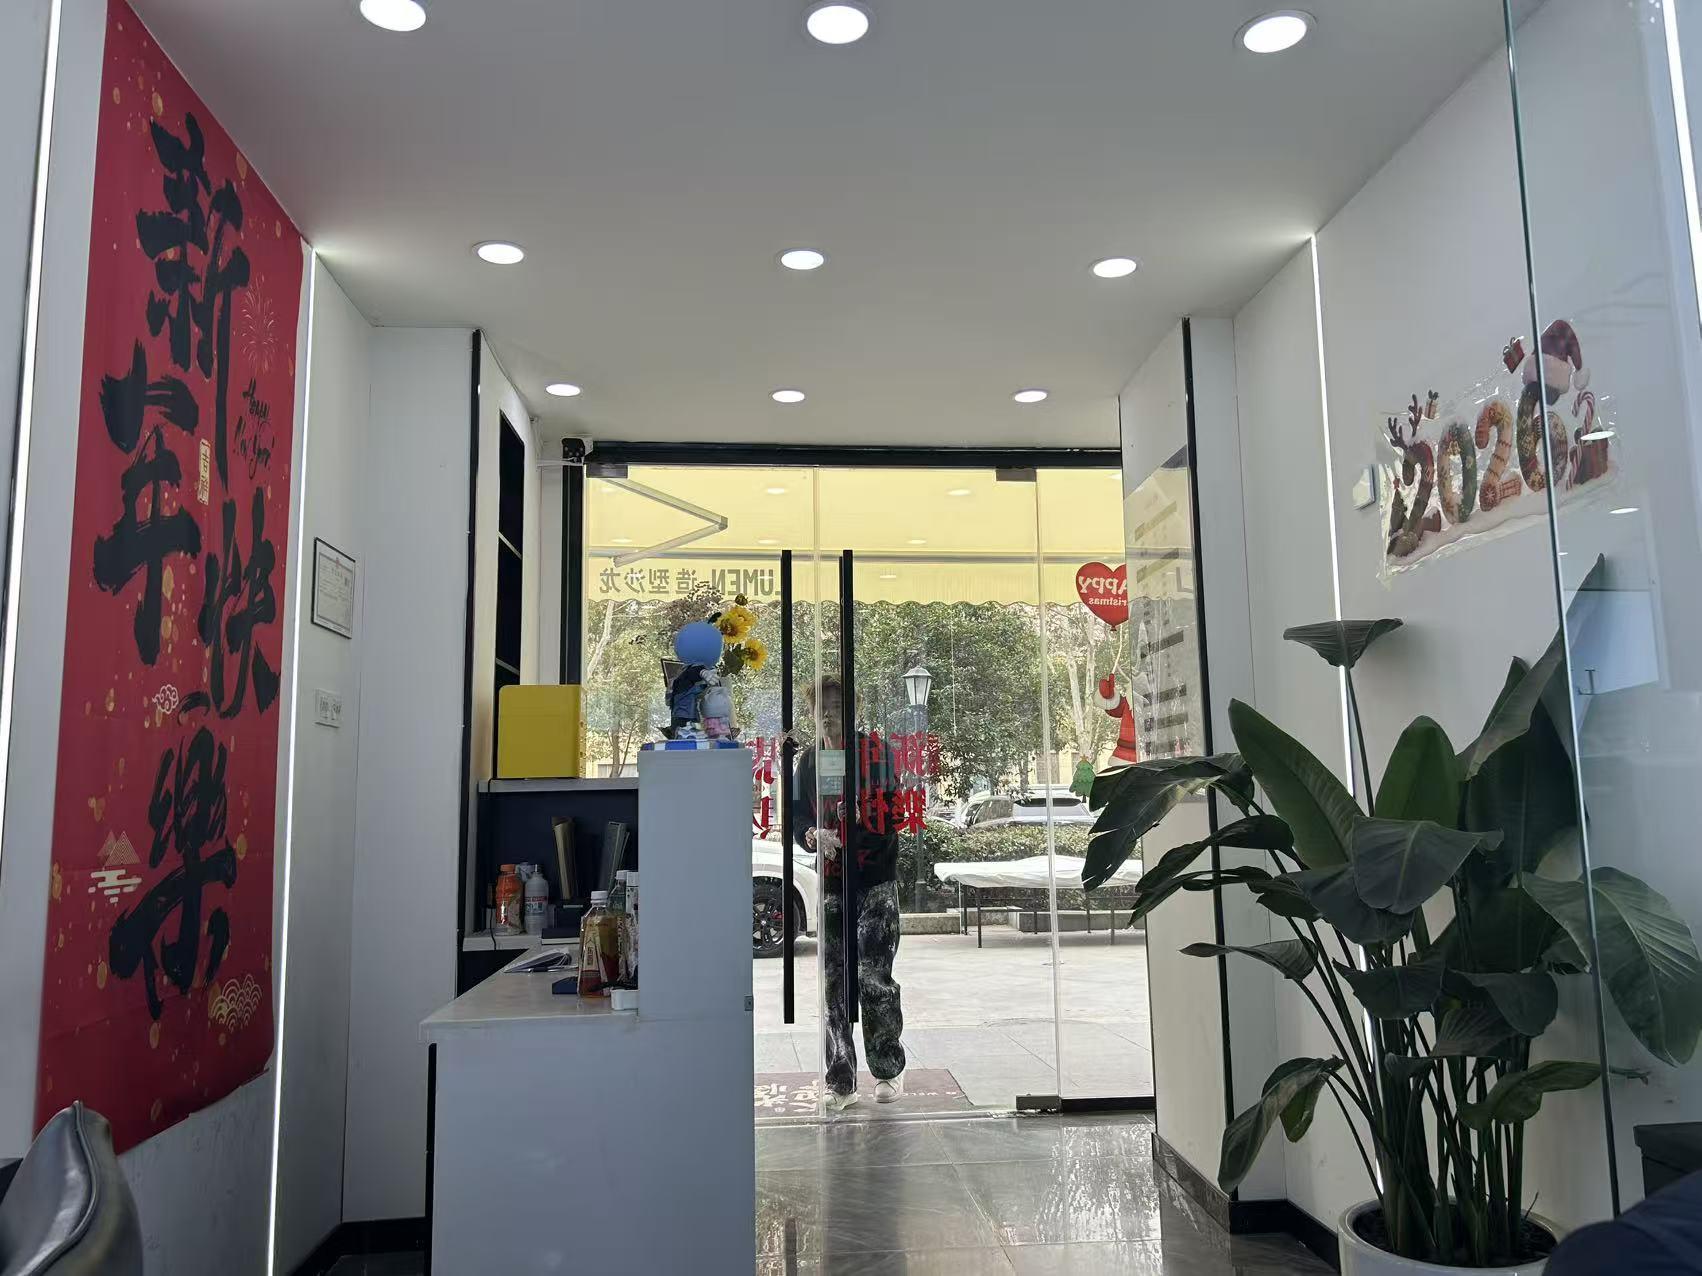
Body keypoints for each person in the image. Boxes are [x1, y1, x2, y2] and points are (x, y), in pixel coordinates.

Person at [794, 675, 907, 1111]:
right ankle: (841, 1078)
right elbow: (797, 815)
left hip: (874, 879)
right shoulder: (809, 761)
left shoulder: (877, 753)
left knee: (874, 977)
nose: (828, 716)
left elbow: (895, 812)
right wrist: (811, 835)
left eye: (837, 707)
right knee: (834, 982)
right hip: (832, 880)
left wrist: (861, 820)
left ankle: (888, 1067)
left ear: (854, 711)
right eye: (821, 708)